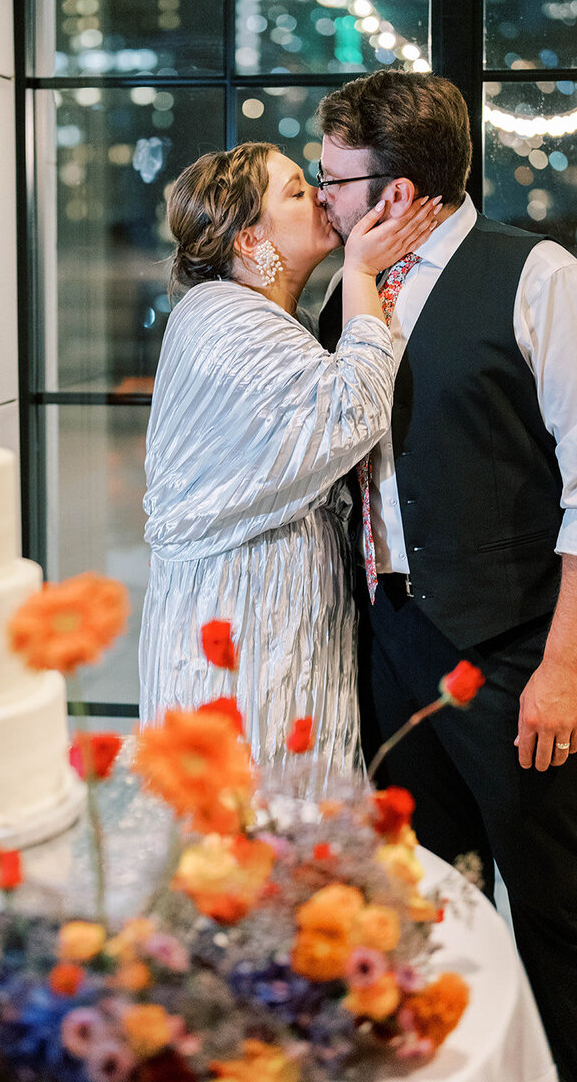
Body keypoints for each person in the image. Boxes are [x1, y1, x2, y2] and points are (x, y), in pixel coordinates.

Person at [315, 69, 577, 1082]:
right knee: (425, 902)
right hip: (390, 643)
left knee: (553, 910)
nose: (321, 195)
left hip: (513, 653)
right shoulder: (355, 290)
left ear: (390, 191)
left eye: (331, 178)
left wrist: (559, 670)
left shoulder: (537, 275)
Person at [139, 141, 439, 782]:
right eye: (298, 191)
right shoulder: (225, 319)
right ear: (251, 239)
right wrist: (361, 276)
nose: (322, 197)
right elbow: (350, 414)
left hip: (279, 616)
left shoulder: (273, 316)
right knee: (256, 829)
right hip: (241, 629)